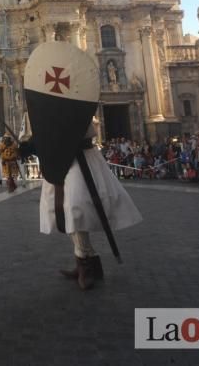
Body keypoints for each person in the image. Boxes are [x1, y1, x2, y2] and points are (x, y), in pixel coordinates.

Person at [39, 118, 142, 290]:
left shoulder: (79, 96)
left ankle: (85, 265)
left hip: (80, 157)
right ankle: (88, 262)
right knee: (63, 211)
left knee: (75, 208)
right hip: (59, 160)